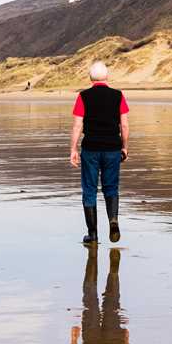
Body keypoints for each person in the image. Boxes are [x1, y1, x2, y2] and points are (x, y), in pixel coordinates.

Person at [70, 60, 130, 245]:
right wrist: (124, 146)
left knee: (89, 190)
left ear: (90, 78)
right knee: (111, 187)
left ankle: (93, 234)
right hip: (112, 148)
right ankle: (113, 219)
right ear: (107, 77)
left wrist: (73, 149)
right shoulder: (118, 95)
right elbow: (125, 124)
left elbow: (78, 124)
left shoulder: (83, 96)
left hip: (91, 149)